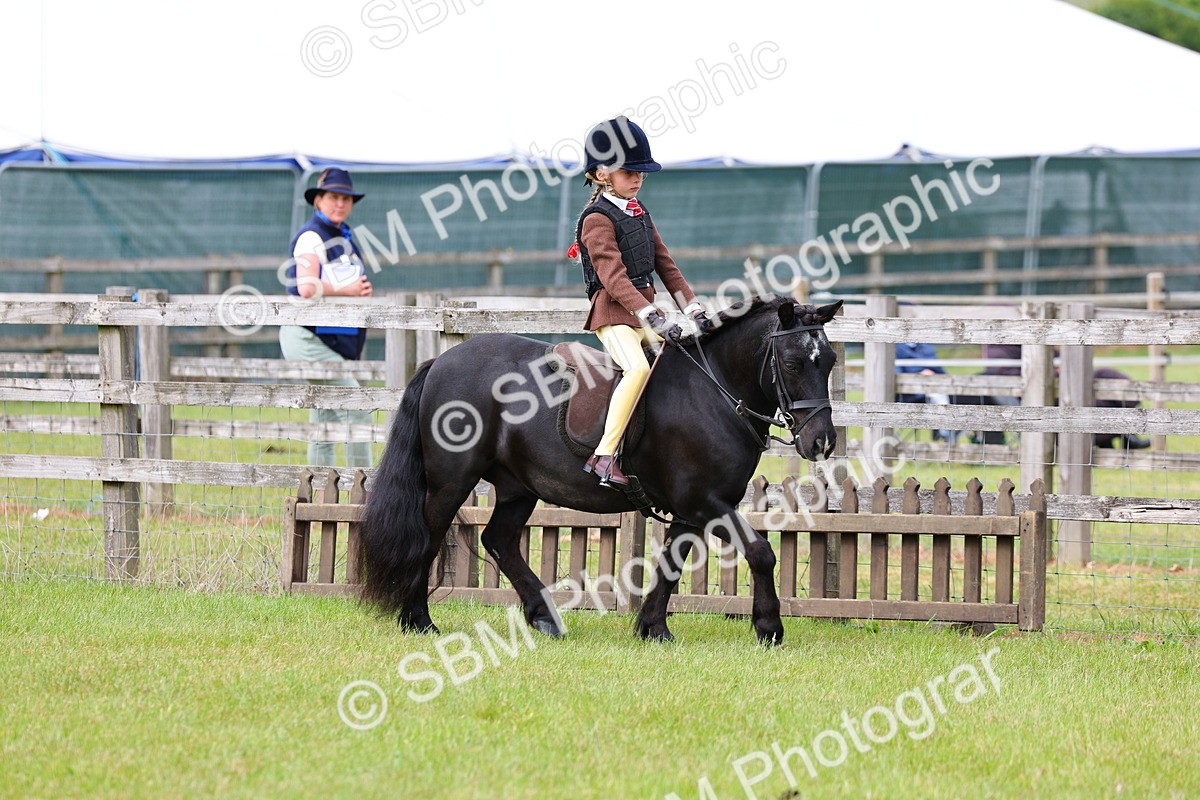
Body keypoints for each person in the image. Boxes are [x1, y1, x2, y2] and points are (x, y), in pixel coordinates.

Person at [570, 116, 710, 488]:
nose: (637, 179)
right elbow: (612, 276)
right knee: (637, 369)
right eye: (629, 171)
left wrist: (691, 306)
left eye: (641, 173)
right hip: (613, 315)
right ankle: (603, 454)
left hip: (643, 315)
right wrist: (651, 312)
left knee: (684, 359)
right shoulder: (596, 219)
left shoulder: (639, 210)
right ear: (602, 174)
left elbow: (665, 264)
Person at [279, 167, 375, 468]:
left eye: (346, 199)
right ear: (318, 200)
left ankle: (319, 495)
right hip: (308, 338)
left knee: (325, 416)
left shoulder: (342, 236)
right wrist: (348, 290)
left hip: (327, 340)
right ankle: (367, 492)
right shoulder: (311, 236)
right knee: (355, 407)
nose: (340, 204)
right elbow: (306, 287)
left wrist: (359, 289)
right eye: (333, 197)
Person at [975, 343, 1149, 449]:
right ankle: (1122, 433)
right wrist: (1054, 373)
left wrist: (1063, 366)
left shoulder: (1029, 341)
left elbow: (1058, 357)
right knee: (1090, 401)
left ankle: (1124, 430)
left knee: (1107, 375)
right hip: (1045, 395)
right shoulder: (1000, 351)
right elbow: (1016, 376)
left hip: (1064, 382)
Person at [895, 342, 957, 443]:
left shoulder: (926, 347)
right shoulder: (895, 348)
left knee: (956, 396)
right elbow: (896, 375)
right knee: (938, 395)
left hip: (933, 388)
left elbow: (940, 371)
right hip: (909, 394)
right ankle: (946, 432)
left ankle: (945, 430)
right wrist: (920, 376)